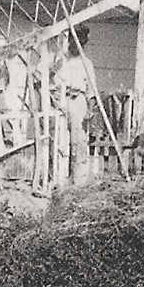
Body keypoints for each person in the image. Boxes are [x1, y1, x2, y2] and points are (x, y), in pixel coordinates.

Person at [55, 26, 98, 182]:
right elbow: (49, 80)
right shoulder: (60, 61)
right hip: (60, 100)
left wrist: (90, 110)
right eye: (72, 40)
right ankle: (59, 179)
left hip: (78, 101)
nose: (74, 44)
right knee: (59, 141)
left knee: (78, 142)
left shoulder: (87, 63)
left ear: (83, 43)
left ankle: (78, 180)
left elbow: (91, 89)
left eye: (79, 41)